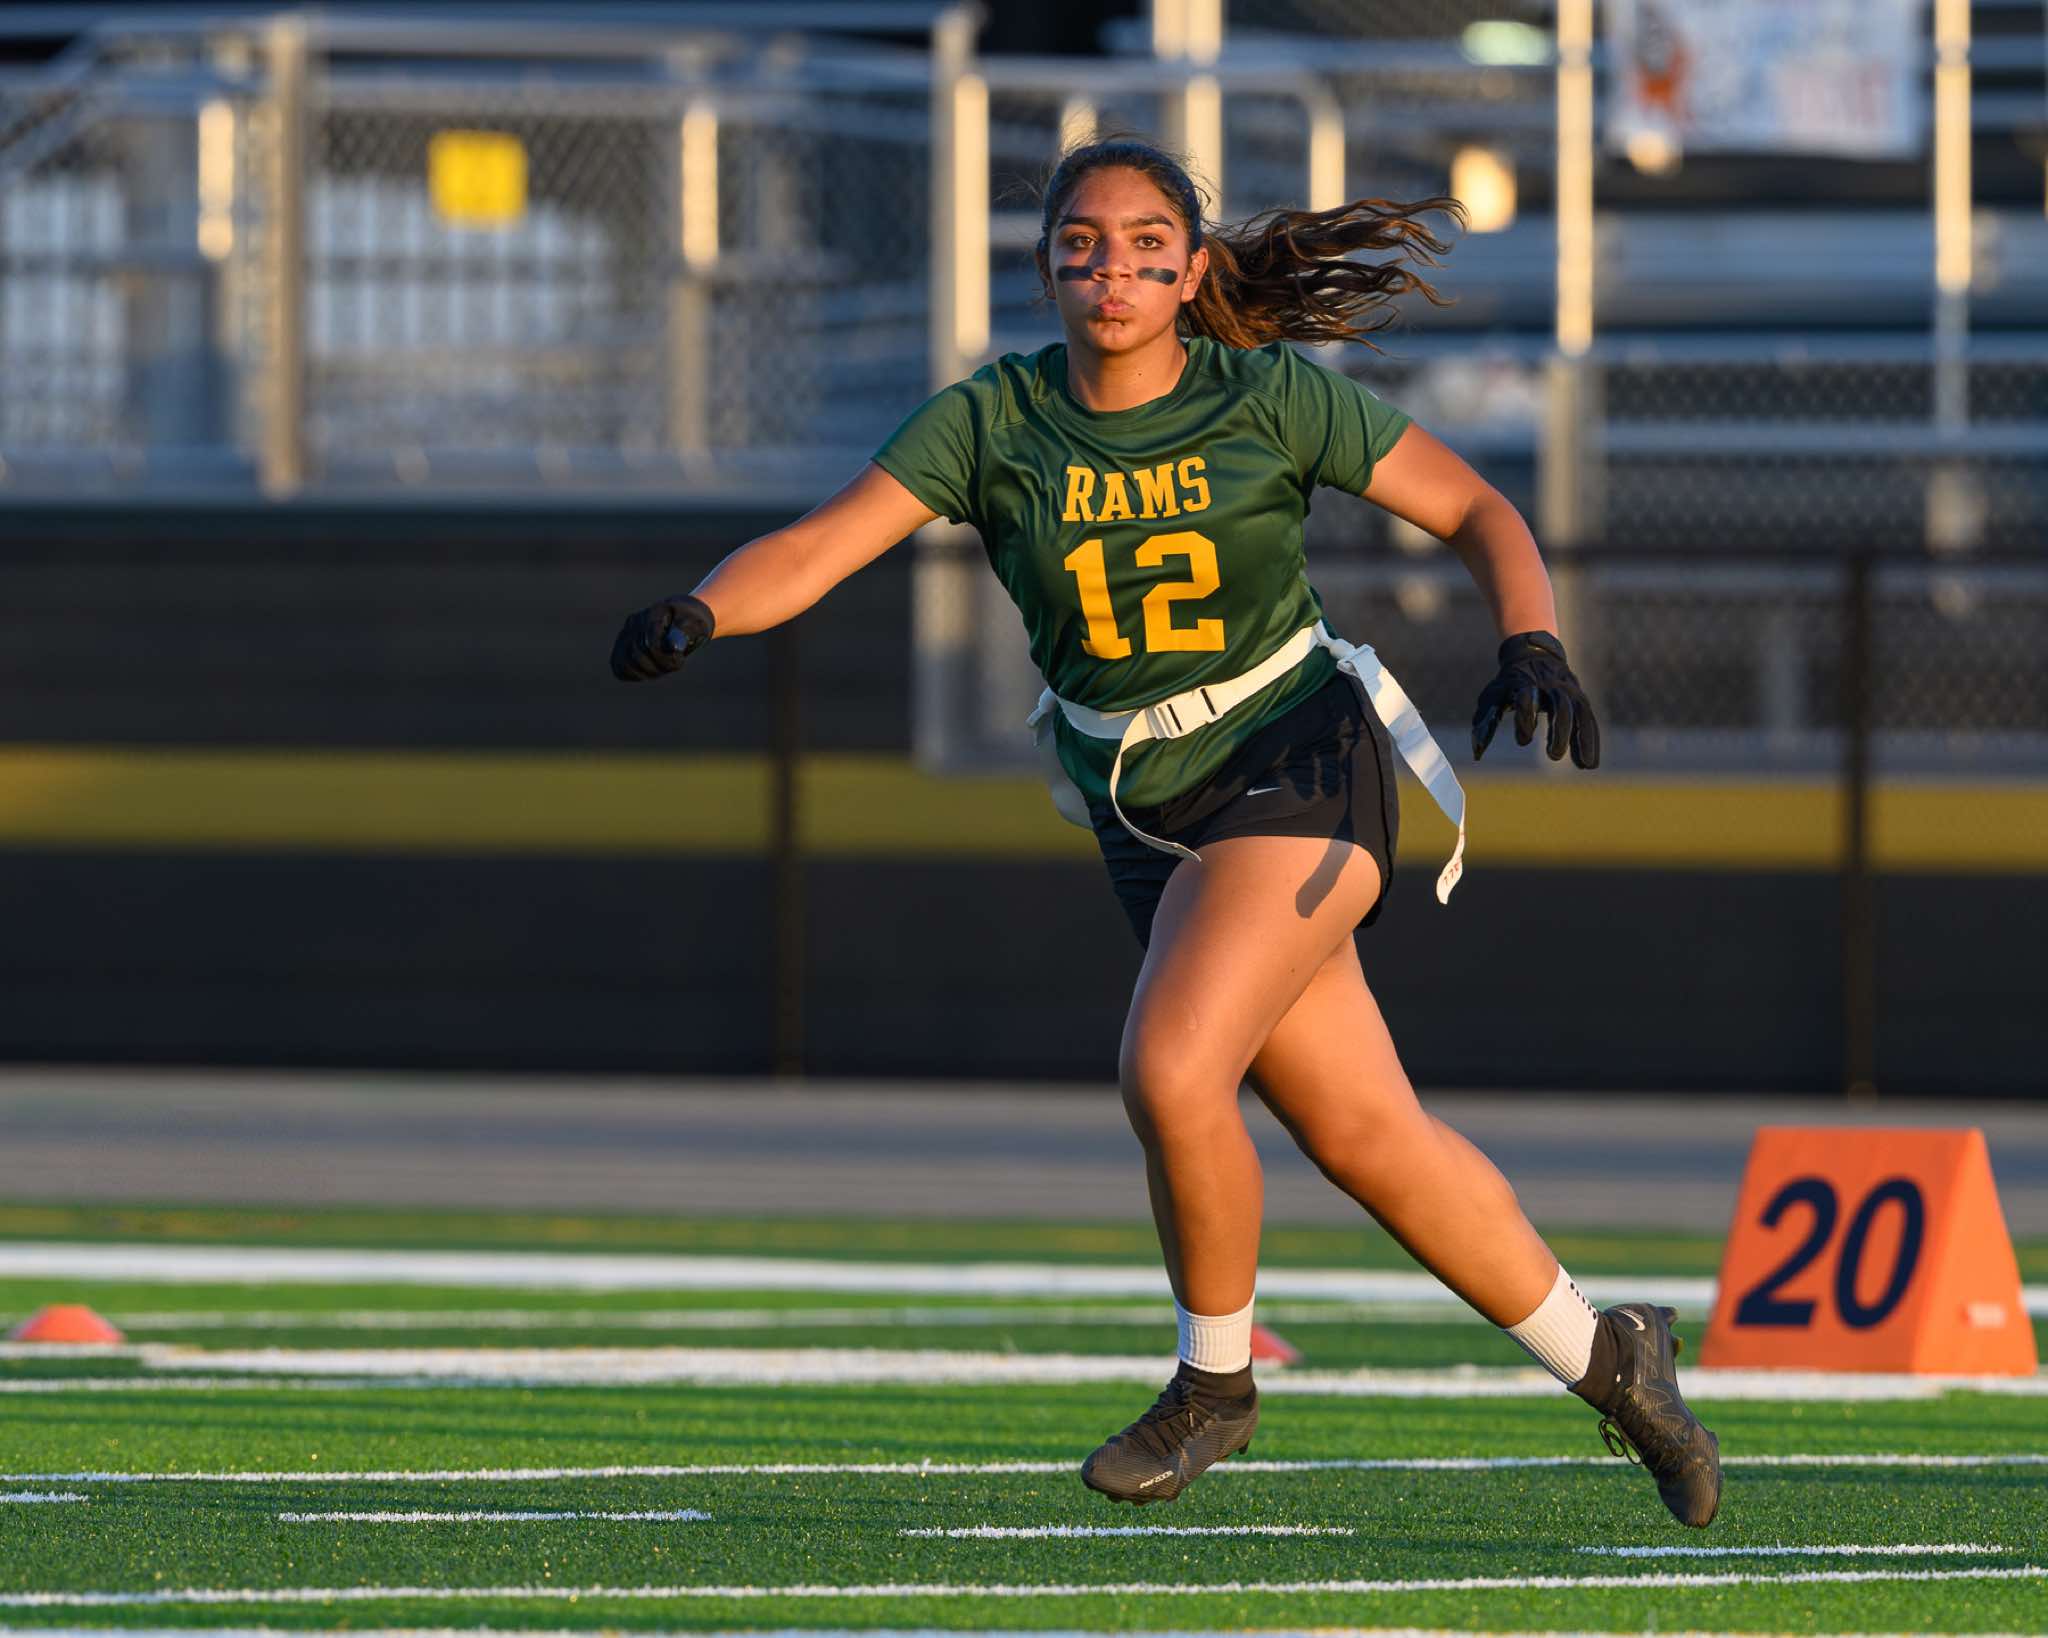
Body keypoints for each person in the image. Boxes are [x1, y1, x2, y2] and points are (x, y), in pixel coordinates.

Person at [610, 137, 1720, 1529]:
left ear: (1192, 271)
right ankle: (1611, 1359)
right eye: (1082, 243)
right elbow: (823, 544)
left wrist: (1532, 637)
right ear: (1045, 269)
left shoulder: (1266, 395)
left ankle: (1214, 1384)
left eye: (1146, 244)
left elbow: (1475, 507)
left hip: (1297, 759)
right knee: (1365, 1132)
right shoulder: (997, 418)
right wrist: (704, 608)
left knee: (1173, 1064)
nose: (1113, 268)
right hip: (1143, 805)